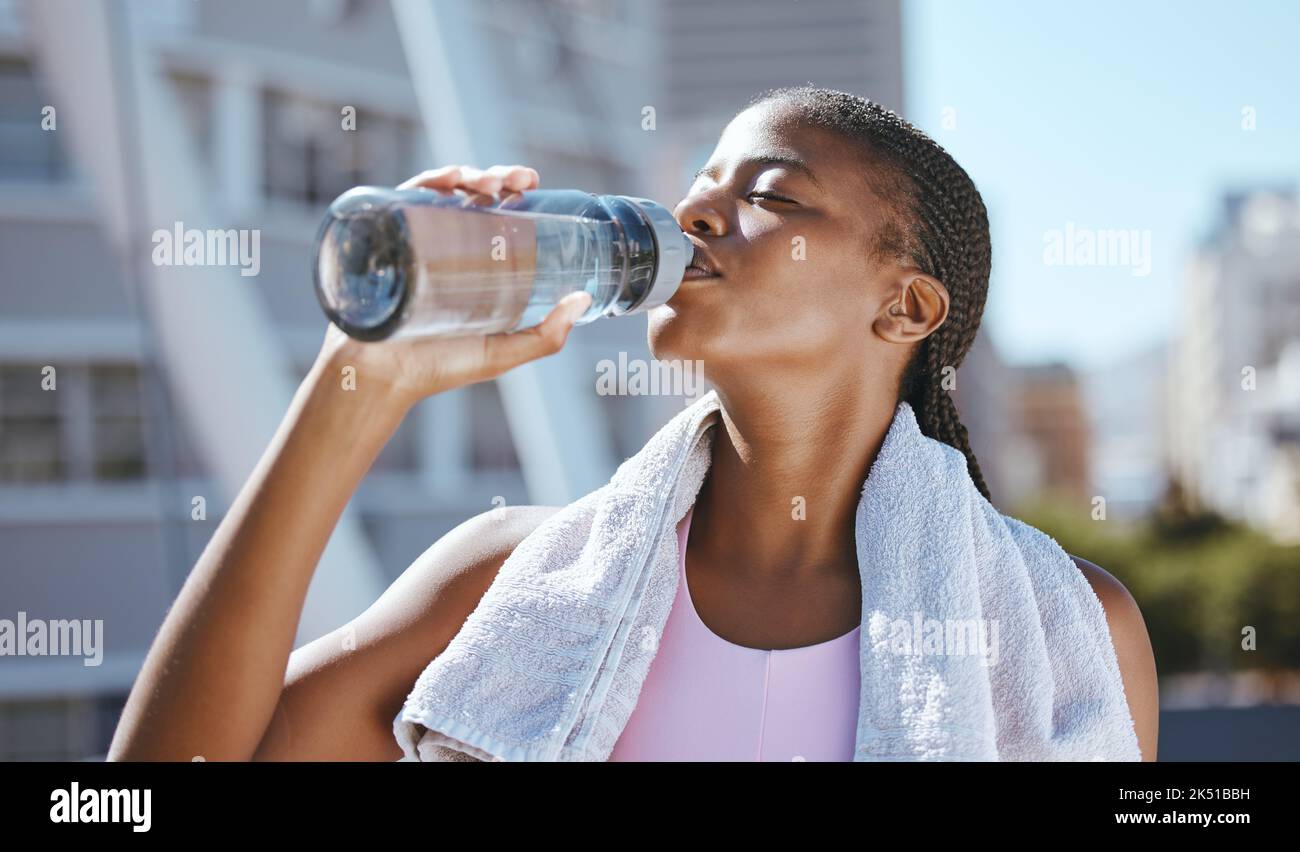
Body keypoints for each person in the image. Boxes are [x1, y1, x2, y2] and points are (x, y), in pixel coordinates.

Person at [108, 85, 1158, 762]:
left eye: (773, 198)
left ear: (906, 307)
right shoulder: (510, 582)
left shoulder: (1067, 625)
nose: (696, 215)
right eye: (702, 187)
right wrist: (354, 387)